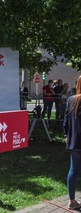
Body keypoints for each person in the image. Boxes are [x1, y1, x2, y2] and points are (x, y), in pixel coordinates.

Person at [64, 75, 81, 210]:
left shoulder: (71, 100)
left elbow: (66, 121)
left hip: (74, 142)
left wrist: (66, 135)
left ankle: (71, 200)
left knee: (73, 170)